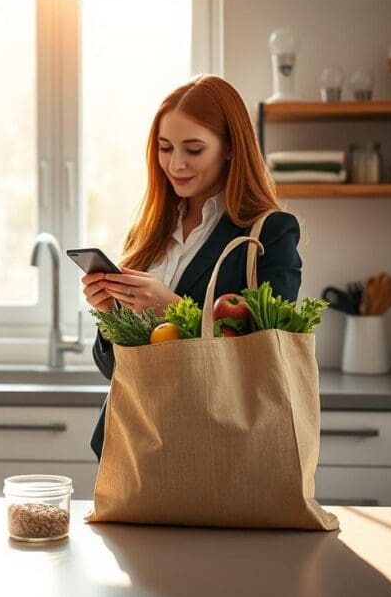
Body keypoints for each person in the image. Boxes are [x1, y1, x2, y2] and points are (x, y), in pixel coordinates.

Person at [82, 74, 302, 461]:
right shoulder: (149, 232)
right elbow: (118, 371)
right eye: (165, 148)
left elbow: (269, 354)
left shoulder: (269, 232)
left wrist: (172, 309)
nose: (176, 163)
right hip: (136, 450)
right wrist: (110, 315)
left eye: (194, 149)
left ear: (231, 148)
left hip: (220, 451)